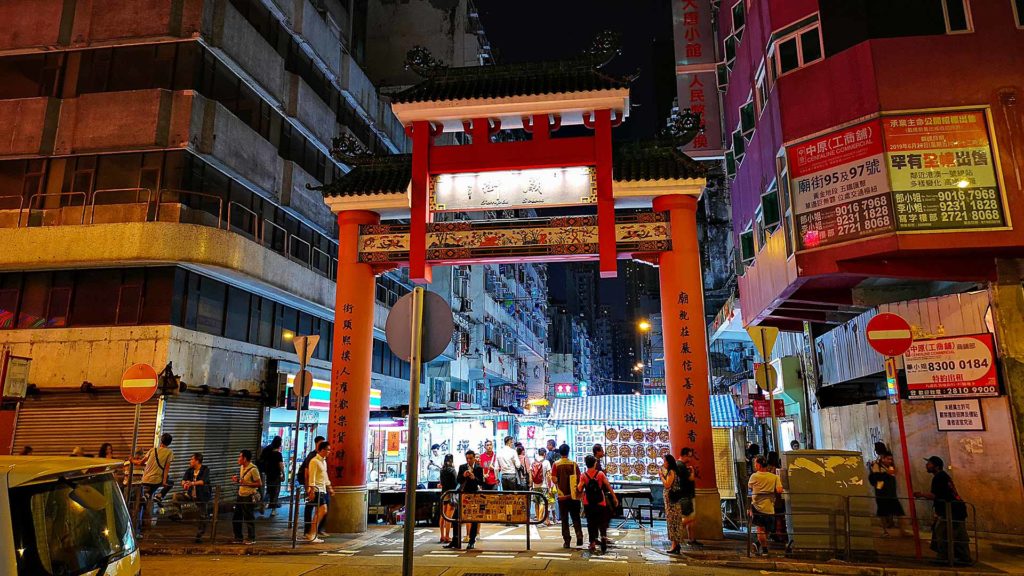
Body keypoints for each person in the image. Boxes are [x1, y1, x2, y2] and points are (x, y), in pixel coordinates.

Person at [914, 456, 971, 565]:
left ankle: (945, 558)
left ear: (936, 466)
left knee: (943, 533)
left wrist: (920, 495)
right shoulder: (942, 476)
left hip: (951, 511)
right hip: (955, 509)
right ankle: (962, 557)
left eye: (929, 464)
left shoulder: (939, 477)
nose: (927, 465)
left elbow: (934, 495)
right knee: (956, 534)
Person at [133, 433, 174, 537]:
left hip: (145, 479)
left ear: (161, 440)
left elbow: (140, 463)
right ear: (169, 443)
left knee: (143, 504)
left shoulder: (152, 450)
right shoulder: (169, 452)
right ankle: (158, 496)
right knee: (170, 482)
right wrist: (164, 481)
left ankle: (146, 496)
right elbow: (166, 469)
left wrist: (131, 460)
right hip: (156, 480)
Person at [578, 454, 617, 554]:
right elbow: (608, 486)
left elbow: (579, 488)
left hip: (588, 502)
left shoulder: (583, 475)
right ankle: (603, 536)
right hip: (601, 502)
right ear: (594, 463)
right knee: (602, 521)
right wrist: (614, 497)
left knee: (591, 523)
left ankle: (592, 543)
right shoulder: (600, 474)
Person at [748, 455, 783, 556]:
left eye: (755, 463)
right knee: (767, 529)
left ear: (758, 465)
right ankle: (759, 545)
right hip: (770, 506)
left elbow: (750, 488)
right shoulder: (774, 477)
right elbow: (779, 490)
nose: (755, 465)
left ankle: (764, 549)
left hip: (757, 506)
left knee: (761, 529)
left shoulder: (754, 476)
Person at [172, 452, 211, 543]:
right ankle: (178, 514)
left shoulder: (205, 469)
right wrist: (184, 484)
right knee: (176, 496)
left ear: (197, 461)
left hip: (201, 496)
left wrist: (192, 483)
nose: (190, 461)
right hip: (190, 495)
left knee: (203, 516)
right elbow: (183, 480)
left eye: (192, 459)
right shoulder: (190, 470)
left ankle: (199, 536)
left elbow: (203, 481)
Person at [551, 443, 584, 548]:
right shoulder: (574, 464)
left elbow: (554, 479)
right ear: (568, 452)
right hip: (573, 495)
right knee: (576, 517)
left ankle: (567, 540)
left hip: (562, 496)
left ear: (560, 452)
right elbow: (579, 478)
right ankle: (579, 535)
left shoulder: (556, 464)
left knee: (564, 519)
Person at [452, 449, 485, 550]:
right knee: (455, 517)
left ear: (474, 458)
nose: (469, 460)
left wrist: (473, 477)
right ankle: (455, 539)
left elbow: (481, 483)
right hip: (464, 495)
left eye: (470, 458)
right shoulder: (462, 467)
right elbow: (458, 480)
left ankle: (471, 540)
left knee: (474, 519)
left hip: (474, 495)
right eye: (467, 458)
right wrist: (464, 475)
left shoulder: (479, 468)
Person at [869, 451, 905, 535]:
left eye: (891, 459)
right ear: (883, 458)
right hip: (881, 493)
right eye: (888, 459)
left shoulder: (890, 467)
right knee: (883, 513)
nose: (890, 461)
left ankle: (903, 530)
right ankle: (884, 531)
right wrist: (886, 473)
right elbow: (876, 477)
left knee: (899, 511)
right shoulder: (876, 466)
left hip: (891, 493)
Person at [232, 449, 262, 545]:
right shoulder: (242, 467)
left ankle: (251, 538)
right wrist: (238, 480)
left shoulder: (253, 469)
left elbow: (259, 483)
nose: (238, 458)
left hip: (248, 496)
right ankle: (238, 537)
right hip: (240, 495)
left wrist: (246, 483)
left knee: (248, 517)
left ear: (244, 458)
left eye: (240, 456)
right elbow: (242, 481)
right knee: (236, 517)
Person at [298, 436, 327, 536]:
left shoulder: (323, 459)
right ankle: (310, 532)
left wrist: (328, 486)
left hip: (319, 488)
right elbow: (308, 474)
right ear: (317, 444)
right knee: (314, 509)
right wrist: (309, 489)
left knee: (320, 509)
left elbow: (324, 475)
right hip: (314, 488)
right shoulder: (313, 457)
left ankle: (313, 531)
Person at [305, 441, 331, 543]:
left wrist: (329, 487)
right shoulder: (314, 461)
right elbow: (312, 476)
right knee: (322, 510)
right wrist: (311, 490)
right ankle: (312, 533)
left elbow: (325, 476)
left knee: (319, 512)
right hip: (316, 490)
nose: (329, 452)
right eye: (328, 450)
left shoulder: (323, 462)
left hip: (323, 489)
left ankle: (312, 533)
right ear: (322, 450)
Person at [661, 454, 685, 554]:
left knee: (673, 522)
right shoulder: (674, 472)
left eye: (664, 461)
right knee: (674, 522)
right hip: (672, 502)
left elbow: (667, 485)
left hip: (672, 503)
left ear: (669, 462)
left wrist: (661, 476)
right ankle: (676, 544)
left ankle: (674, 545)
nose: (663, 463)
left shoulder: (671, 472)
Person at [677, 448, 700, 547]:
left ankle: (691, 538)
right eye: (689, 456)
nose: (690, 458)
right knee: (690, 517)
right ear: (684, 455)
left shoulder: (679, 465)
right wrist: (692, 471)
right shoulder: (681, 466)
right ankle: (676, 535)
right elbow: (690, 478)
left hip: (685, 495)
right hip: (686, 495)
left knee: (691, 517)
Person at [258, 436, 284, 517]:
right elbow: (281, 465)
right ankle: (273, 510)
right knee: (276, 492)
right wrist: (283, 473)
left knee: (269, 491)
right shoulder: (278, 454)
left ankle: (263, 503)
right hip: (276, 475)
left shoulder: (268, 451)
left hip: (268, 474)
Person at [531, 448, 554, 525]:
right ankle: (540, 520)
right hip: (543, 486)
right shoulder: (546, 462)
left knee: (536, 502)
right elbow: (548, 475)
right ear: (544, 454)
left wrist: (531, 485)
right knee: (542, 502)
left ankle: (538, 519)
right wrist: (550, 487)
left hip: (535, 486)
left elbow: (531, 475)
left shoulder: (533, 462)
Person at [439, 454, 457, 544]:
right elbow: (456, 483)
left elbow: (441, 482)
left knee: (442, 515)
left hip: (444, 493)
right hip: (451, 494)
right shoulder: (452, 470)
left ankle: (442, 535)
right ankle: (447, 536)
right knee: (449, 516)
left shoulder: (442, 470)